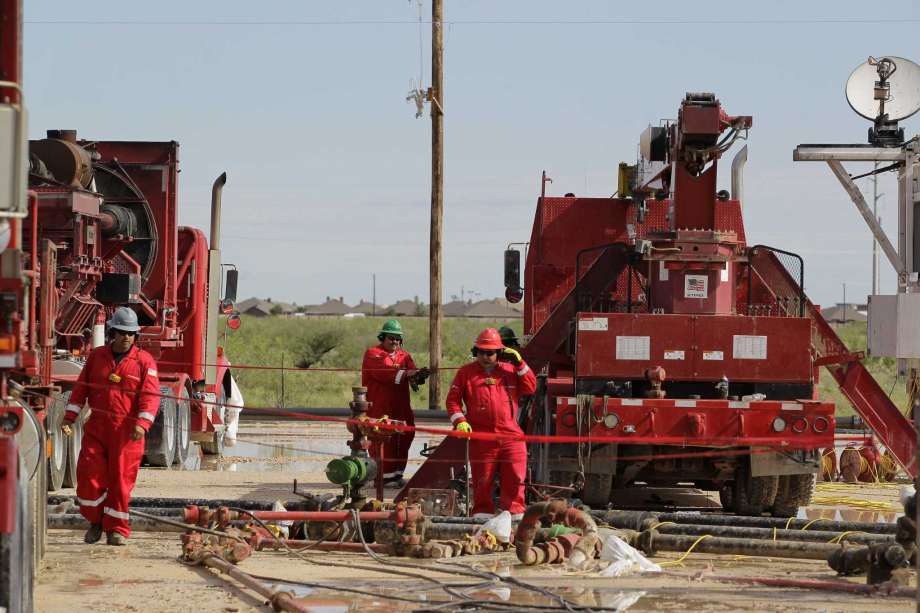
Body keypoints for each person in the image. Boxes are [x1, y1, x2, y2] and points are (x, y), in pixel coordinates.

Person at [62, 307, 160, 546]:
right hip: (97, 428)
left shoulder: (144, 362)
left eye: (131, 333)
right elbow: (81, 389)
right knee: (88, 475)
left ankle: (116, 530)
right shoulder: (96, 357)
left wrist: (142, 424)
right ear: (112, 332)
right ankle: (95, 522)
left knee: (120, 482)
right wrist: (69, 417)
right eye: (122, 332)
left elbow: (151, 396)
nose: (127, 337)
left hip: (127, 433)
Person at [446, 328, 536, 520]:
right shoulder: (466, 373)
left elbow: (531, 386)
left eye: (490, 353)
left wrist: (520, 363)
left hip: (511, 435)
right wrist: (460, 421)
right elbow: (452, 401)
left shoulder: (510, 371)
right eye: (481, 352)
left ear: (499, 353)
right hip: (482, 437)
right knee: (482, 480)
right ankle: (482, 517)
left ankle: (514, 518)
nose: (485, 356)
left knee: (515, 476)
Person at [361, 319, 428, 487]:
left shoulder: (404, 356)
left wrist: (418, 377)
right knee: (383, 438)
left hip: (401, 406)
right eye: (391, 338)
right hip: (379, 405)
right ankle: (383, 477)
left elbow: (411, 373)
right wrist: (408, 374)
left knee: (405, 435)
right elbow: (385, 373)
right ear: (383, 337)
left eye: (398, 338)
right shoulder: (373, 354)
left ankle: (396, 475)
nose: (395, 342)